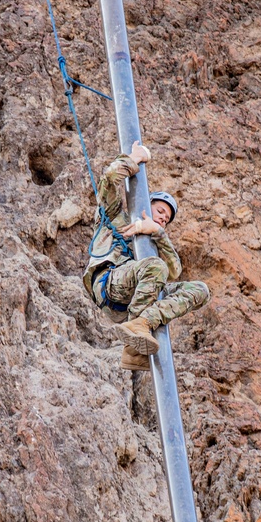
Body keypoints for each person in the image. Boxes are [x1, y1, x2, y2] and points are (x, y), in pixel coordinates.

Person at [82, 141, 210, 371]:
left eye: (166, 219)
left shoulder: (153, 242)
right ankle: (136, 327)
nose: (163, 218)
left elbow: (174, 271)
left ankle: (140, 329)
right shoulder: (115, 217)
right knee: (155, 267)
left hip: (134, 297)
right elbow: (109, 179)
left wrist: (158, 233)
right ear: (146, 203)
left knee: (200, 290)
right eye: (160, 211)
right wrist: (134, 159)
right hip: (109, 281)